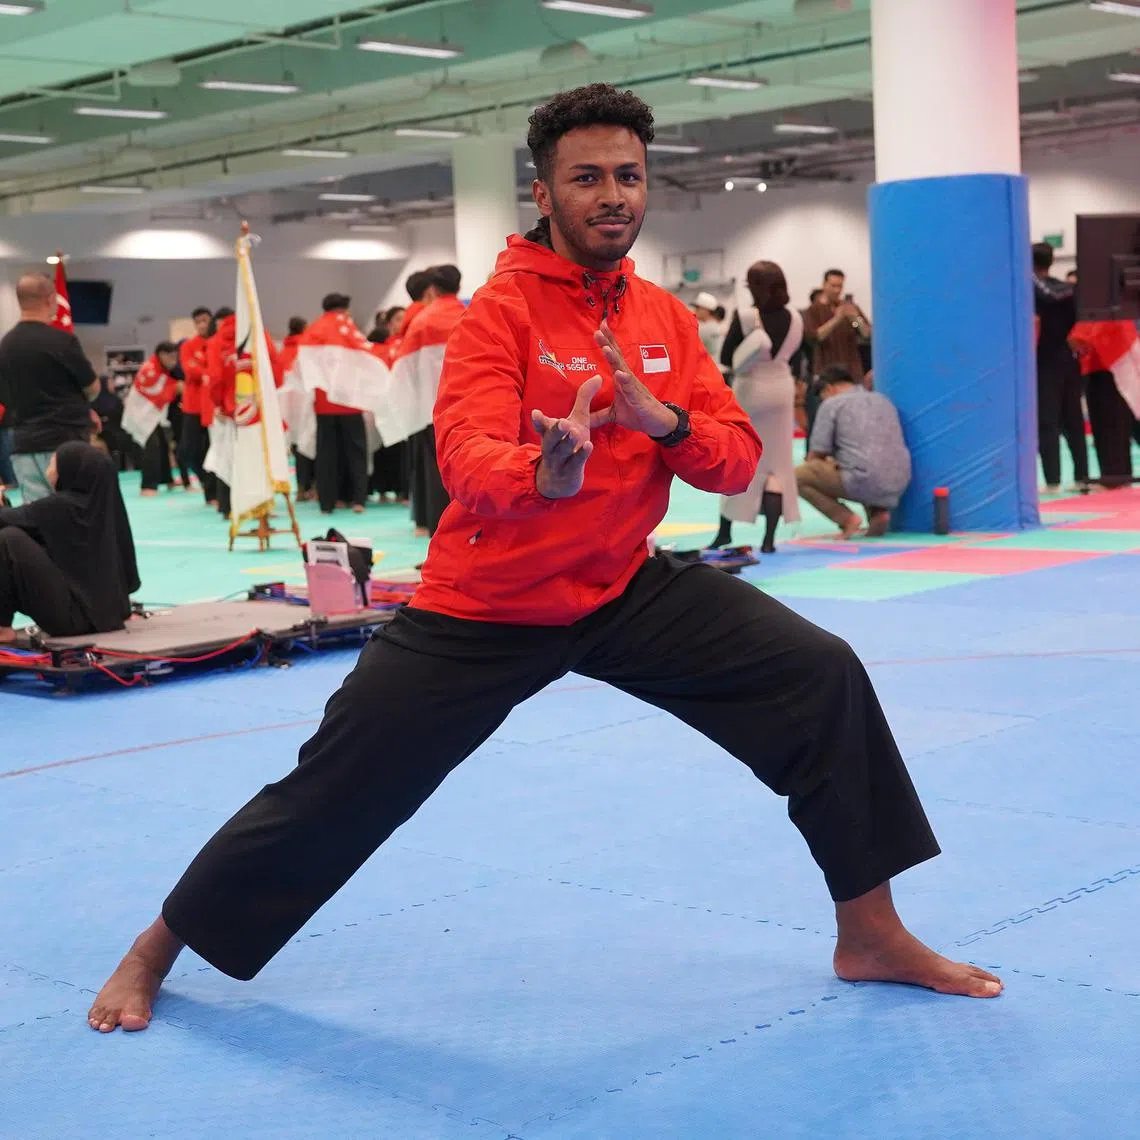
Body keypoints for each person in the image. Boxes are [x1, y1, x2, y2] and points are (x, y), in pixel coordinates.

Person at [87, 83, 1000, 1037]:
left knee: (822, 675)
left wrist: (671, 424)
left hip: (619, 583)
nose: (614, 194)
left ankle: (871, 931)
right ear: (545, 192)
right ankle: (156, 945)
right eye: (589, 177)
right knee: (340, 784)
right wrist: (543, 473)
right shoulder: (500, 314)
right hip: (486, 604)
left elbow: (732, 456)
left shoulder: (662, 319)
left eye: (629, 175)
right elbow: (465, 455)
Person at [0, 441, 139, 642]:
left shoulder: (62, 506)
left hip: (74, 620)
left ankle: (2, 627)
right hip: (107, 615)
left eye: (53, 463)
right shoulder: (103, 507)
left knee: (8, 540)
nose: (48, 468)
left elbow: (7, 520)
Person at [711, 261, 803, 552]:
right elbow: (799, 360)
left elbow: (727, 357)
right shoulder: (796, 318)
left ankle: (725, 532)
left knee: (739, 457)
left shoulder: (746, 317)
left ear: (755, 287)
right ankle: (769, 540)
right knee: (777, 465)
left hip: (750, 390)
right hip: (782, 390)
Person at [0, 273, 99, 503]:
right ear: (50, 299)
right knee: (74, 508)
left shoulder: (4, 346)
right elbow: (92, 387)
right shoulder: (63, 341)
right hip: (66, 443)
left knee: (36, 515)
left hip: (24, 443)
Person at [796, 366, 911, 538]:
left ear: (829, 389)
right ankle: (878, 512)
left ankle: (846, 519)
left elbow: (817, 452)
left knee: (799, 476)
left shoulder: (832, 404)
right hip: (900, 480)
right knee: (861, 458)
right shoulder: (882, 399)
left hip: (862, 478)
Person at [395, 264, 464, 536]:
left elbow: (404, 369)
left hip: (430, 408)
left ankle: (433, 525)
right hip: (467, 406)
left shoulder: (421, 322)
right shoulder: (472, 314)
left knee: (432, 469)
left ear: (432, 289)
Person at [300, 294, 372, 515]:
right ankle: (358, 499)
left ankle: (327, 503)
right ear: (345, 309)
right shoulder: (347, 327)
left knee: (326, 454)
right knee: (356, 452)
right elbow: (365, 353)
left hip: (324, 403)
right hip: (350, 402)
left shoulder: (312, 330)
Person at [1033, 242, 1088, 493]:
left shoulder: (1036, 289)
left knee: (1049, 421)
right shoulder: (1068, 290)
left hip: (1047, 360)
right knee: (1072, 420)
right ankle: (1082, 477)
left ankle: (1053, 480)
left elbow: (1046, 299)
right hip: (1069, 358)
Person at [122, 342, 181, 496]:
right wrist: (176, 387)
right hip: (140, 414)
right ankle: (148, 485)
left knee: (162, 443)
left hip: (152, 414)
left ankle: (166, 479)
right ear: (162, 355)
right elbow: (154, 390)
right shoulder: (149, 368)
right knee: (152, 447)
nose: (174, 361)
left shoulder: (162, 369)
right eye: (172, 357)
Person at [803, 269, 870, 388]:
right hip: (826, 373)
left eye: (840, 286)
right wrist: (837, 319)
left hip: (852, 373)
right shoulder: (813, 310)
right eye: (833, 286)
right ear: (824, 285)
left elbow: (866, 334)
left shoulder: (850, 308)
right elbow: (815, 337)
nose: (837, 290)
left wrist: (855, 319)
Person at [179, 307, 214, 504]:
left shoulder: (216, 344)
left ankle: (212, 493)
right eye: (198, 321)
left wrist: (206, 372)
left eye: (205, 320)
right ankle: (205, 482)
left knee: (212, 449)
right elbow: (190, 371)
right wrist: (208, 372)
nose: (202, 324)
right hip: (193, 406)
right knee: (188, 451)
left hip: (212, 406)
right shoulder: (188, 346)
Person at [278, 317, 315, 501]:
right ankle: (313, 486)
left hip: (287, 407)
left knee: (296, 446)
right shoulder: (307, 347)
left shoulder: (283, 351)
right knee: (309, 445)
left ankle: (300, 487)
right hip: (306, 404)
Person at [691, 291, 727, 366]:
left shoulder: (705, 329)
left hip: (708, 369)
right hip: (717, 368)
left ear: (706, 310)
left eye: (698, 308)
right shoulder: (716, 326)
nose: (695, 311)